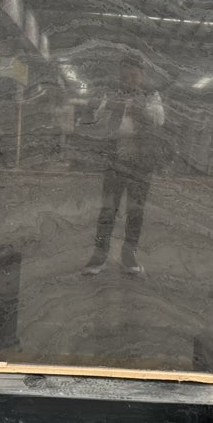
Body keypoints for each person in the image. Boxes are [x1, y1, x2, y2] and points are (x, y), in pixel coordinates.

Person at [84, 56, 164, 275]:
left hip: (141, 164)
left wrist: (140, 108)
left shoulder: (151, 95)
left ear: (142, 75)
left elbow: (159, 119)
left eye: (133, 75)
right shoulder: (113, 93)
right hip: (115, 161)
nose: (128, 79)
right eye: (125, 75)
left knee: (135, 211)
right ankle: (99, 256)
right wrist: (112, 105)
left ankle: (129, 256)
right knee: (108, 210)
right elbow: (99, 117)